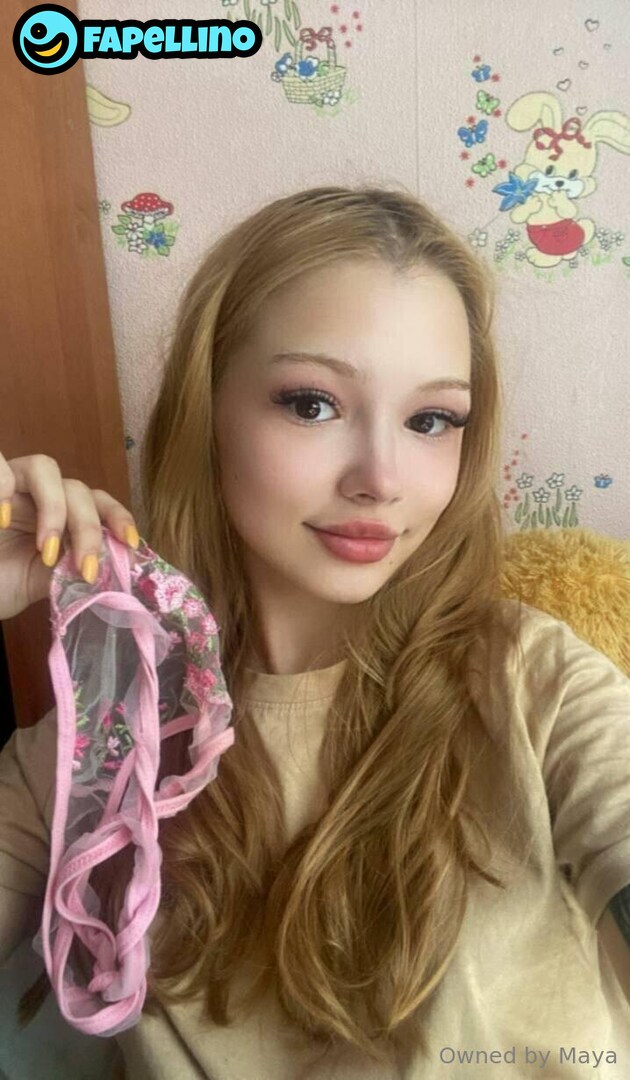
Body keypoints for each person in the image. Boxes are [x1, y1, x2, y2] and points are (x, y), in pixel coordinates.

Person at [0, 185, 629, 1079]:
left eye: (431, 420)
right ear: (205, 408)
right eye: (312, 404)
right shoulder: (91, 745)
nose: (382, 478)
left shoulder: (536, 685)